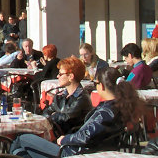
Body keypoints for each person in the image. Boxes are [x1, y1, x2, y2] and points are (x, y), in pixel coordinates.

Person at [11, 67, 145, 158]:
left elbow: (85, 136)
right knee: (19, 152)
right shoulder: (120, 107)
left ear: (102, 86)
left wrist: (65, 139)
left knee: (21, 138)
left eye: (95, 83)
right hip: (84, 149)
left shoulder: (106, 112)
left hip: (73, 152)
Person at [42, 57, 93, 137]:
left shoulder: (82, 97)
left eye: (60, 74)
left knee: (22, 139)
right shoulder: (61, 96)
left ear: (70, 76)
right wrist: (55, 115)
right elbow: (46, 112)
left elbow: (67, 119)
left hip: (70, 141)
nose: (57, 76)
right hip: (55, 136)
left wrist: (54, 115)